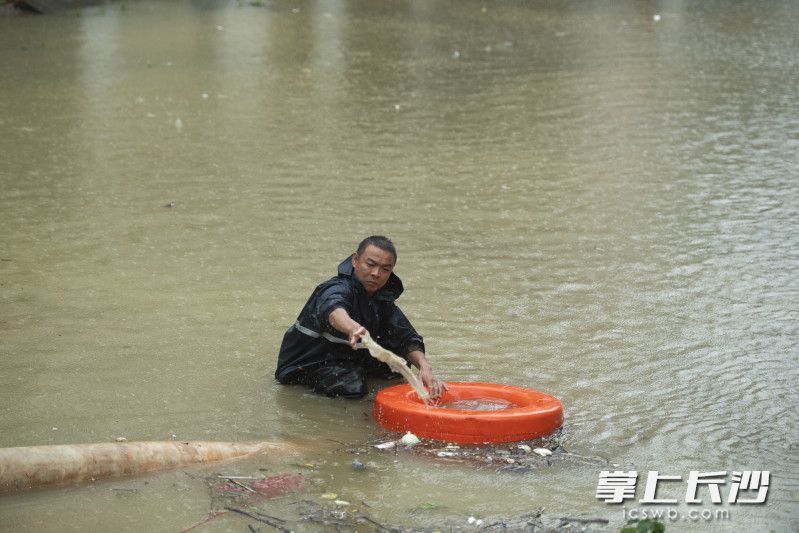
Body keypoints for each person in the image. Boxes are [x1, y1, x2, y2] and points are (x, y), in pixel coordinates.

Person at [275, 236, 444, 399]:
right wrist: (352, 328)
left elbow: (407, 337)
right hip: (305, 367)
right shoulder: (335, 289)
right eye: (370, 264)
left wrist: (423, 366)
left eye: (385, 269)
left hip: (345, 360)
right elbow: (333, 309)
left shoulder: (382, 301)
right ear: (355, 260)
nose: (376, 273)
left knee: (398, 365)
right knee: (352, 384)